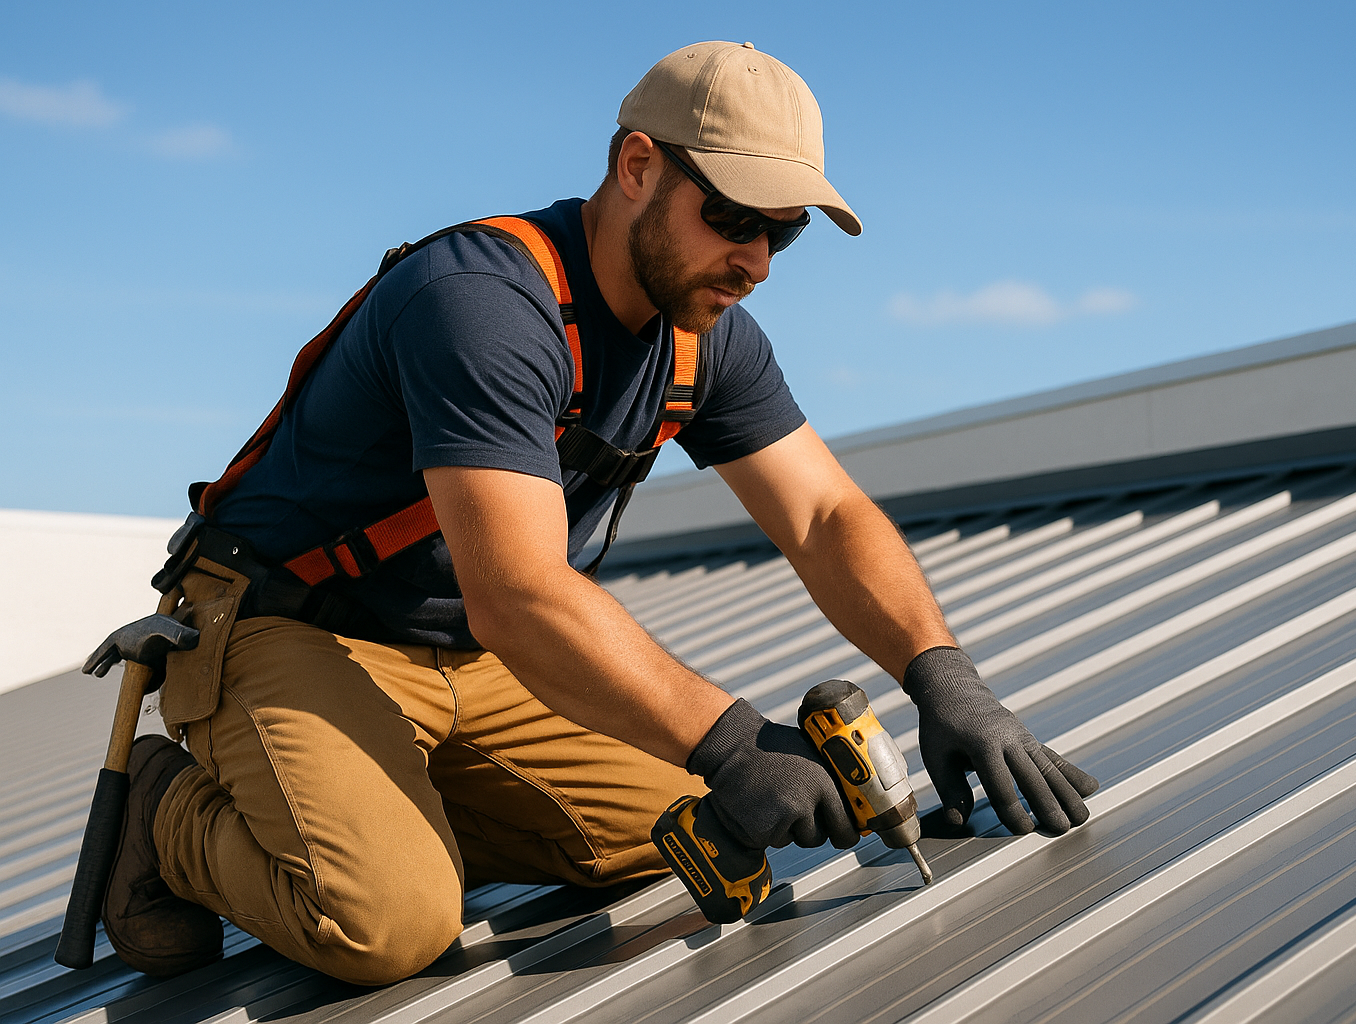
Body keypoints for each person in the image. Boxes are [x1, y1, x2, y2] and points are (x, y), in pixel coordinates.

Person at [103, 40, 1098, 986]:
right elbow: (524, 594)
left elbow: (825, 514)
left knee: (676, 829)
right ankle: (164, 814)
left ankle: (387, 803)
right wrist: (734, 738)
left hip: (465, 656)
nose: (756, 260)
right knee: (390, 923)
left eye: (783, 232)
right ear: (636, 166)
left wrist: (945, 679)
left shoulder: (707, 338)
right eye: (734, 216)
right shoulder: (484, 303)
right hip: (291, 622)